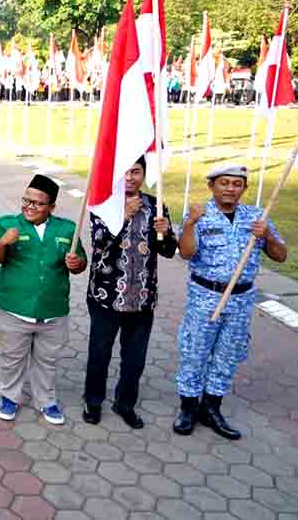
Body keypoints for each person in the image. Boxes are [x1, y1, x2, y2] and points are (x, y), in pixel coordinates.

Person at [173, 164, 287, 441]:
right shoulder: (200, 214)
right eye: (224, 183)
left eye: (237, 184)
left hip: (241, 299)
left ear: (244, 189)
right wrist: (190, 224)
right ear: (211, 186)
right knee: (195, 351)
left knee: (229, 354)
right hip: (205, 296)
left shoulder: (257, 217)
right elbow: (186, 253)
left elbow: (281, 255)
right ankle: (189, 407)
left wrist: (268, 236)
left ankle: (211, 408)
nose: (230, 189)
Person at [0, 174, 87, 426]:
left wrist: (76, 263)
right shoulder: (8, 224)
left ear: (51, 207)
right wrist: (3, 242)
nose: (29, 207)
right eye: (26, 200)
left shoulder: (67, 230)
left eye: (38, 203)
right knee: (11, 358)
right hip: (14, 309)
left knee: (48, 361)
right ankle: (9, 397)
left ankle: (46, 400)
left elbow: (80, 264)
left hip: (52, 311)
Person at [83, 157, 176, 428]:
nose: (130, 178)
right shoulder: (103, 205)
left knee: (135, 359)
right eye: (124, 172)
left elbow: (168, 251)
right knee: (99, 353)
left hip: (142, 299)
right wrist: (122, 216)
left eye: (135, 172)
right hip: (106, 296)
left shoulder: (156, 205)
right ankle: (93, 401)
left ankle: (125, 404)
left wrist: (166, 233)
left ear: (144, 174)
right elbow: (99, 243)